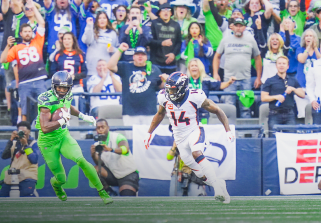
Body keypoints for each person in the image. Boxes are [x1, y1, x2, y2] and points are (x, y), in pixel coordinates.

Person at [144, 72, 234, 203]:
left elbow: (217, 110)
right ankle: (219, 183)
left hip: (194, 131)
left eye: (173, 89)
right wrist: (149, 133)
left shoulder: (195, 96)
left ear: (182, 88)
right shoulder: (164, 97)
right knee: (200, 174)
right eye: (169, 89)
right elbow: (159, 114)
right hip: (179, 138)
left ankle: (217, 190)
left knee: (196, 152)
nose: (170, 92)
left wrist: (228, 130)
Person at [35, 71, 113, 204]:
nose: (61, 90)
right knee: (61, 178)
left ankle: (102, 191)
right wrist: (61, 121)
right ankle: (56, 185)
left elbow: (67, 106)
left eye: (65, 88)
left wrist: (83, 116)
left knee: (80, 159)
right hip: (47, 141)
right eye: (59, 87)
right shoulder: (45, 99)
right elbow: (45, 128)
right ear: (53, 86)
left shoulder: (68, 94)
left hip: (63, 136)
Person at [0, 0, 48, 122]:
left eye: (29, 31)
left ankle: (46, 134)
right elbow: (3, 59)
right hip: (24, 82)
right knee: (24, 110)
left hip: (38, 80)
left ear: (32, 33)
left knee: (46, 108)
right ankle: (25, 133)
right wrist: (7, 45)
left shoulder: (38, 41)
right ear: (20, 33)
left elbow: (42, 23)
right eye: (25, 32)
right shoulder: (16, 47)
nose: (27, 33)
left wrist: (33, 7)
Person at [107, 44, 165, 137]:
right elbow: (110, 66)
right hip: (130, 113)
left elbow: (160, 86)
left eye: (143, 54)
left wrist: (166, 80)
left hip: (149, 112)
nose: (140, 56)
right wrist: (120, 50)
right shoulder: (126, 67)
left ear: (147, 57)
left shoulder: (154, 69)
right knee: (133, 141)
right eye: (138, 54)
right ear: (133, 57)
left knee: (149, 141)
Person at [213, 18, 262, 118]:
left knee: (246, 108)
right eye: (236, 26)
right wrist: (215, 73)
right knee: (228, 108)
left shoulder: (250, 40)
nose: (238, 28)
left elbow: (258, 58)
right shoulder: (226, 40)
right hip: (229, 80)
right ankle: (228, 132)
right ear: (232, 27)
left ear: (244, 27)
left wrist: (258, 77)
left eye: (241, 26)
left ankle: (246, 133)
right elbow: (217, 56)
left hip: (246, 79)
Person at [90, 119, 139, 196]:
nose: (100, 129)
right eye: (98, 128)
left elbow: (125, 149)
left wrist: (112, 150)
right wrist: (93, 155)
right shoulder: (97, 144)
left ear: (108, 128)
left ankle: (129, 189)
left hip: (128, 174)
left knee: (127, 198)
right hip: (113, 175)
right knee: (94, 169)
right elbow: (100, 164)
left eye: (103, 127)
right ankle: (108, 191)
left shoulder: (117, 137)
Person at [261, 56, 305, 137]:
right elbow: (263, 98)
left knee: (291, 140)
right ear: (276, 66)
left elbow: (302, 95)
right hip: (274, 114)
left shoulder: (293, 80)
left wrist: (293, 89)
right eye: (279, 63)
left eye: (284, 64)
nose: (281, 65)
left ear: (288, 66)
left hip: (290, 115)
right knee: (273, 142)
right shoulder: (269, 80)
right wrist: (276, 97)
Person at [0, 121, 41, 197]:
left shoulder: (34, 143)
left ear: (29, 131)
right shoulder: (14, 143)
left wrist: (26, 145)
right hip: (13, 175)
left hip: (28, 176)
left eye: (24, 131)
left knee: (26, 195)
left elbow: (34, 160)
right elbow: (3, 156)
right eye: (20, 131)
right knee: (2, 196)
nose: (22, 134)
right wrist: (11, 140)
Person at [0, 0, 28, 116]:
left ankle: (22, 111)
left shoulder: (26, 18)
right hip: (8, 51)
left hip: (21, 53)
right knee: (8, 82)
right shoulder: (8, 14)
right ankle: (10, 109)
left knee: (20, 83)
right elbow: (6, 3)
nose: (13, 3)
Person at [82, 12, 119, 77]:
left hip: (106, 68)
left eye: (104, 18)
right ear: (97, 21)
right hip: (92, 68)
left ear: (107, 20)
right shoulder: (92, 31)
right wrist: (89, 25)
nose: (102, 20)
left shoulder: (112, 33)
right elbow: (87, 40)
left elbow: (118, 50)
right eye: (99, 18)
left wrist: (113, 49)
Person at [150, 3, 182, 74]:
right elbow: (149, 41)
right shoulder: (154, 23)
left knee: (170, 83)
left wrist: (173, 54)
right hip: (156, 61)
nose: (166, 12)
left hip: (171, 62)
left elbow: (179, 42)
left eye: (168, 10)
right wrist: (162, 43)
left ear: (171, 13)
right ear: (159, 13)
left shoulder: (176, 25)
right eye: (163, 10)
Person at [295, 29, 320, 118]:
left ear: (314, 38)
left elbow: (319, 59)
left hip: (315, 88)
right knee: (303, 113)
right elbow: (301, 59)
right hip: (302, 85)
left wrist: (316, 48)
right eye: (307, 36)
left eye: (311, 36)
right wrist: (308, 48)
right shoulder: (300, 49)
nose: (308, 37)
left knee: (315, 112)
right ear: (304, 38)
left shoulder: (318, 50)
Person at [305, 58, 321, 124]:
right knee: (317, 133)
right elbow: (309, 86)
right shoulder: (314, 65)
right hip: (318, 105)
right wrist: (312, 100)